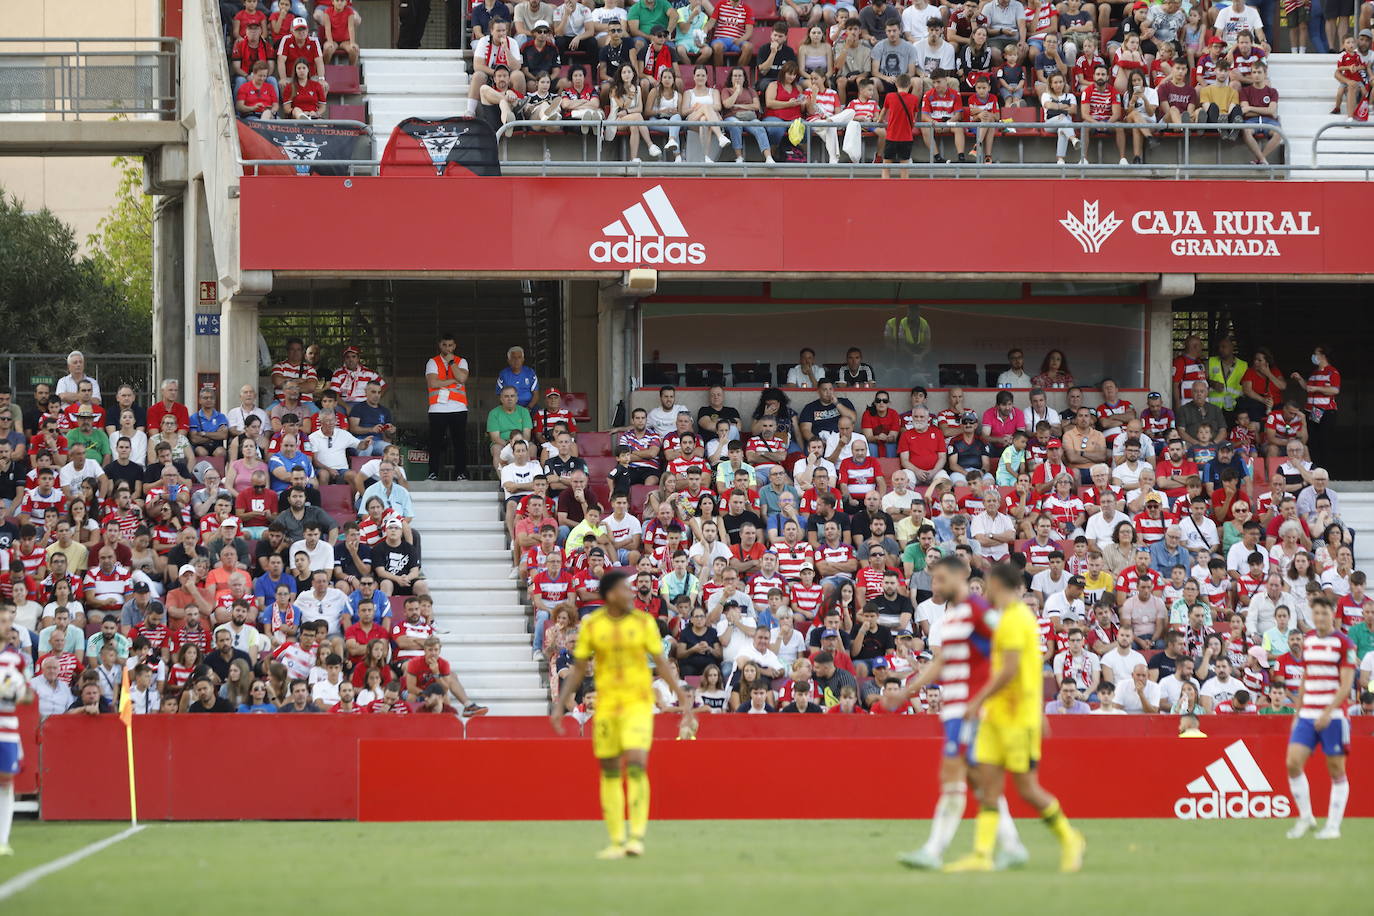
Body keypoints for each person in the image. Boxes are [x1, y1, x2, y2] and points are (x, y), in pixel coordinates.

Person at [945, 562, 1085, 873]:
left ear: (996, 584)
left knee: (1027, 789)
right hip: (997, 716)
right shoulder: (1009, 618)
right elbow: (1029, 669)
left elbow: (1009, 671)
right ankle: (982, 855)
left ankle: (1070, 838)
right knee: (989, 786)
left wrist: (976, 700)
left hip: (1016, 718)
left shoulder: (1015, 620)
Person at [895, 556, 1026, 870]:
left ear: (960, 576)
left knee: (951, 774)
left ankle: (933, 850)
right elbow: (941, 663)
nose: (935, 586)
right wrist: (908, 690)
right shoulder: (949, 620)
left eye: (940, 579)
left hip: (970, 708)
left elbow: (1008, 649)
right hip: (953, 707)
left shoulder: (980, 610)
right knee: (978, 780)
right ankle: (1012, 845)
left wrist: (986, 698)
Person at [551, 571, 694, 858]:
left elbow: (661, 663)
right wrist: (559, 704)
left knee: (638, 763)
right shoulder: (593, 626)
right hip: (606, 706)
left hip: (638, 703)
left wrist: (683, 699)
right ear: (611, 594)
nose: (631, 594)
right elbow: (579, 668)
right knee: (611, 769)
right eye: (624, 590)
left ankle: (636, 838)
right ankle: (617, 840)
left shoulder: (643, 623)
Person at [1285, 596, 1356, 840]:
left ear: (1332, 614)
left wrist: (1327, 713)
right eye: (1316, 613)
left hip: (1334, 716)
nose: (1320, 618)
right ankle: (1306, 817)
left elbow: (1346, 686)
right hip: (1307, 713)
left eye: (1324, 613)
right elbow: (1306, 676)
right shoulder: (1309, 641)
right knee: (1292, 763)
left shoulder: (1345, 644)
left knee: (1336, 770)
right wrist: (1297, 711)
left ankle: (1333, 826)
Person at [426, 332, 469, 481]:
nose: (448, 348)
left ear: (455, 346)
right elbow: (432, 383)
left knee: (460, 443)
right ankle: (433, 473)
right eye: (444, 345)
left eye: (450, 345)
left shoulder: (461, 361)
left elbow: (462, 378)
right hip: (437, 408)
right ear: (440, 345)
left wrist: (452, 363)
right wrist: (453, 380)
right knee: (435, 443)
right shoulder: (432, 362)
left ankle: (461, 473)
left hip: (459, 408)